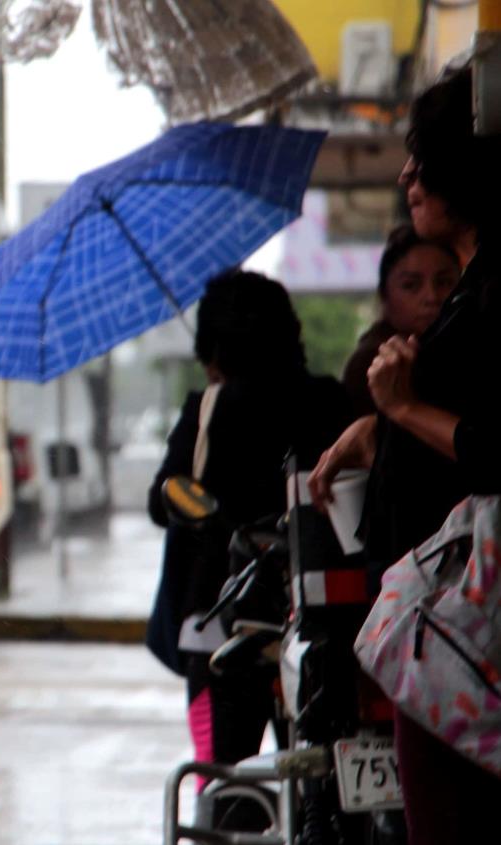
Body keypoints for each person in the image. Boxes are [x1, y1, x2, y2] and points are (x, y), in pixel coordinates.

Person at [308, 65, 501, 844]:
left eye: (423, 158)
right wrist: (377, 428)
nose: (405, 176)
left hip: (468, 636)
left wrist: (402, 409)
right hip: (446, 631)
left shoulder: (493, 293)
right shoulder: (472, 288)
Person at [147, 270, 351, 791]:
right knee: (319, 781)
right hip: (316, 618)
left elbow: (163, 498)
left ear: (213, 342)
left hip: (221, 624)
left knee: (225, 781)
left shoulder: (208, 409)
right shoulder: (330, 401)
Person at [341, 224, 460, 416]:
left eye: (444, 282)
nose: (431, 297)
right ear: (384, 295)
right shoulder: (373, 364)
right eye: (411, 285)